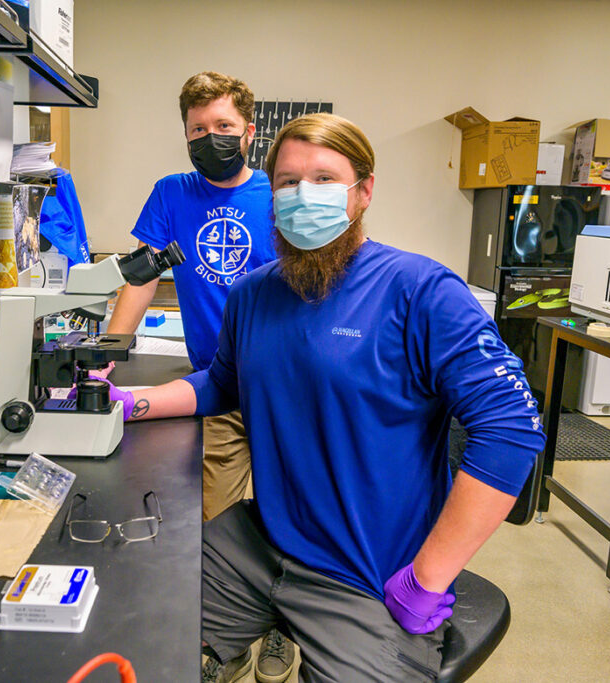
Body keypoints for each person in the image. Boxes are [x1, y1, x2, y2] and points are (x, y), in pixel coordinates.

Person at [101, 113, 547, 682]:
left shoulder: (419, 290)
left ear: (363, 192)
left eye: (323, 179)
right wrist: (126, 401)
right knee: (130, 637)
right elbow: (221, 382)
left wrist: (428, 577)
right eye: (287, 182)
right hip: (262, 540)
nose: (302, 195)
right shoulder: (253, 294)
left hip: (366, 572)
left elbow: (509, 429)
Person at [102, 71, 289, 681]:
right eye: (199, 130)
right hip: (218, 380)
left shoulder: (277, 195)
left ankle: (287, 627)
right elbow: (141, 276)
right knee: (214, 515)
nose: (212, 139)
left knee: (297, 509)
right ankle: (224, 643)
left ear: (250, 131)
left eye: (225, 128)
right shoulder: (171, 193)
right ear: (185, 135)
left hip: (286, 381)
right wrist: (110, 349)